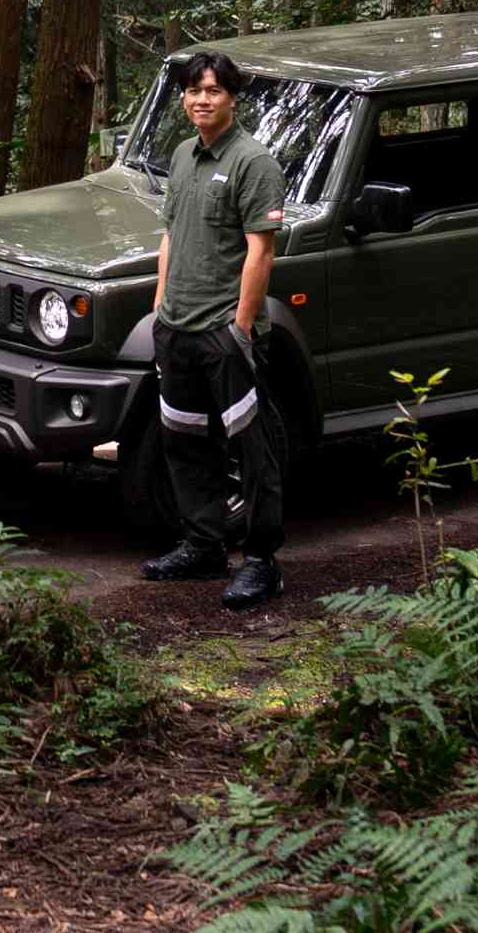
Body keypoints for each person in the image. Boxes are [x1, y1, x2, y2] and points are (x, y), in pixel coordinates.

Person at [140, 50, 287, 608]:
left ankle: (262, 562)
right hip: (176, 328)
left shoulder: (254, 162)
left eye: (213, 91)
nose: (202, 100)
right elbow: (170, 235)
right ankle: (203, 545)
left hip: (224, 332)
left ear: (232, 99)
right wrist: (161, 305)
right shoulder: (183, 155)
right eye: (193, 90)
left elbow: (260, 252)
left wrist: (240, 328)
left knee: (252, 449)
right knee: (183, 442)